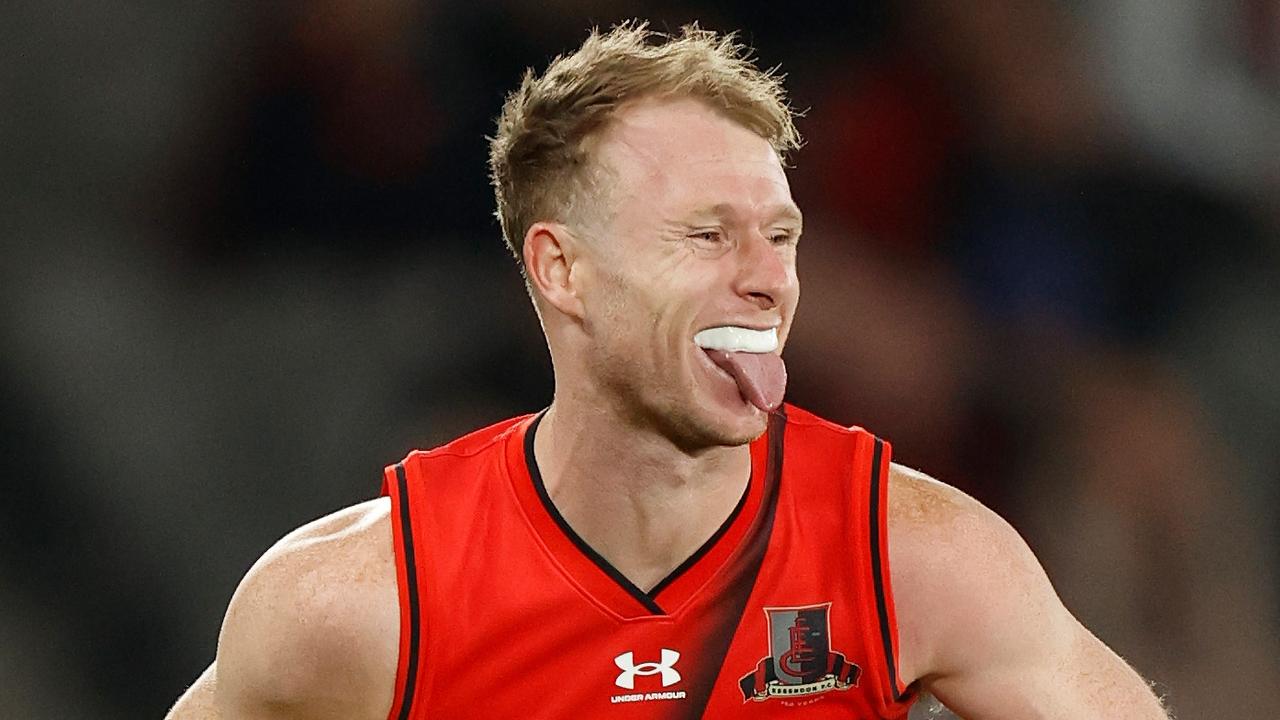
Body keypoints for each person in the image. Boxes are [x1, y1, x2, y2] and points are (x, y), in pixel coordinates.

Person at [167, 23, 1170, 719]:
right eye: (705, 235)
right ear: (561, 269)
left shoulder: (913, 558)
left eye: (780, 236)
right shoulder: (356, 605)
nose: (765, 282)